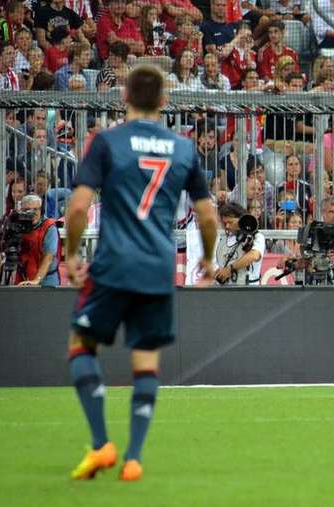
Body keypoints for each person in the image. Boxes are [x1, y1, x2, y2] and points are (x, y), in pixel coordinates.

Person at [63, 65, 218, 482]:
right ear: (164, 102)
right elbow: (207, 214)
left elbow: (78, 207)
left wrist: (72, 252)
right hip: (157, 268)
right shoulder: (184, 149)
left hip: (113, 264)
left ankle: (101, 446)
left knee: (81, 345)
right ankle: (133, 458)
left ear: (123, 97)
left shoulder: (108, 142)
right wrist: (208, 258)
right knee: (146, 364)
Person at [12, 194, 61, 286]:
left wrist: (36, 280)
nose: (32, 213)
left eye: (35, 209)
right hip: (23, 278)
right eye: (27, 210)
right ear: (21, 211)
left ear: (41, 210)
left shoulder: (49, 227)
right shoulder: (17, 225)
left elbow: (48, 257)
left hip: (46, 281)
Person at [214, 202, 265, 285]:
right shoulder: (221, 240)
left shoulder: (257, 237)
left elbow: (254, 255)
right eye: (225, 223)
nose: (227, 226)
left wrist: (230, 269)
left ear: (241, 219)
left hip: (248, 290)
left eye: (230, 222)